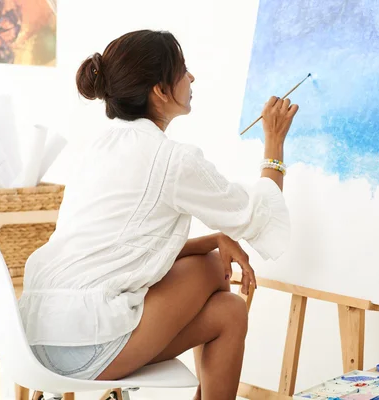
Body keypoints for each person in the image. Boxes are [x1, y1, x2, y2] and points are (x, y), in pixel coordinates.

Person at [18, 29, 299, 400]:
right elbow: (257, 216)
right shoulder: (171, 159)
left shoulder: (101, 145)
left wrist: (214, 237)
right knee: (213, 267)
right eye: (183, 70)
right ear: (160, 91)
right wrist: (274, 142)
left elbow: (123, 252)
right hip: (85, 343)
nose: (192, 77)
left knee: (230, 311)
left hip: (36, 339)